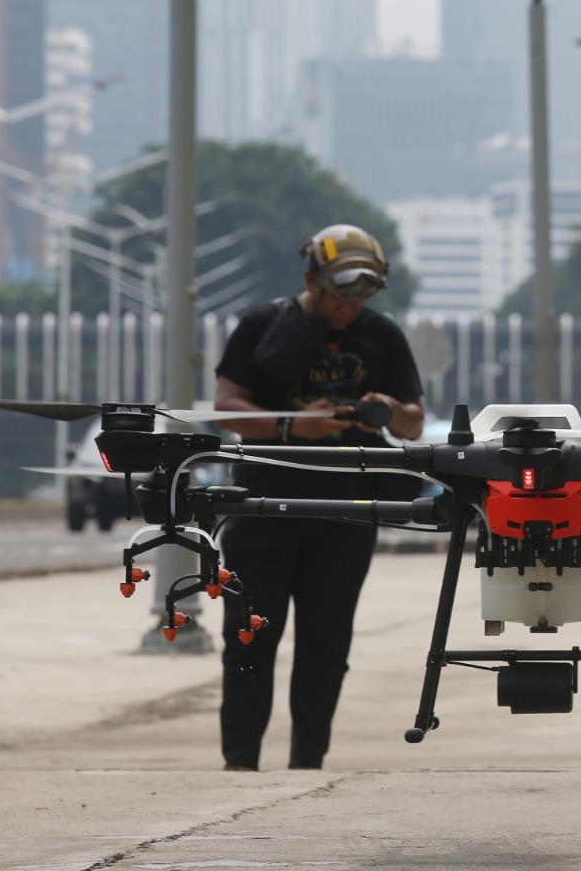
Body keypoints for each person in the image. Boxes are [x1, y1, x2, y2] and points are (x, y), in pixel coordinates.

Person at [212, 223, 425, 771]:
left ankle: (308, 762)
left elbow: (414, 421)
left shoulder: (381, 335)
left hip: (347, 513)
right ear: (311, 279)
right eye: (338, 297)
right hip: (263, 508)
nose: (348, 310)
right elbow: (227, 406)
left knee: (326, 650)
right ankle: (240, 765)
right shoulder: (263, 324)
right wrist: (290, 429)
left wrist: (383, 407)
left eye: (361, 299)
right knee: (249, 641)